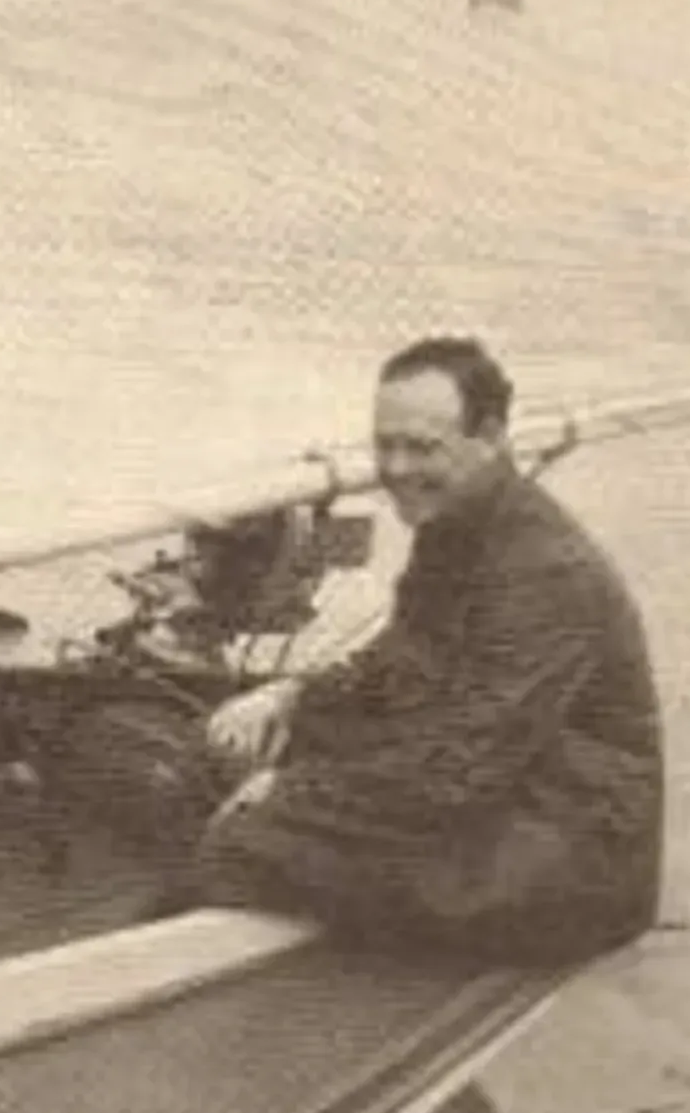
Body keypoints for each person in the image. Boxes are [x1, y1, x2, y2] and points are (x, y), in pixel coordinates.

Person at [189, 336, 664, 963]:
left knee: (245, 846)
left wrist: (290, 794)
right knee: (228, 755)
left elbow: (458, 771)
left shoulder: (545, 573)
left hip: (572, 861)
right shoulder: (458, 523)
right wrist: (294, 698)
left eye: (422, 447)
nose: (397, 469)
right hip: (510, 793)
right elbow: (401, 656)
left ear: (490, 436)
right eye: (385, 444)